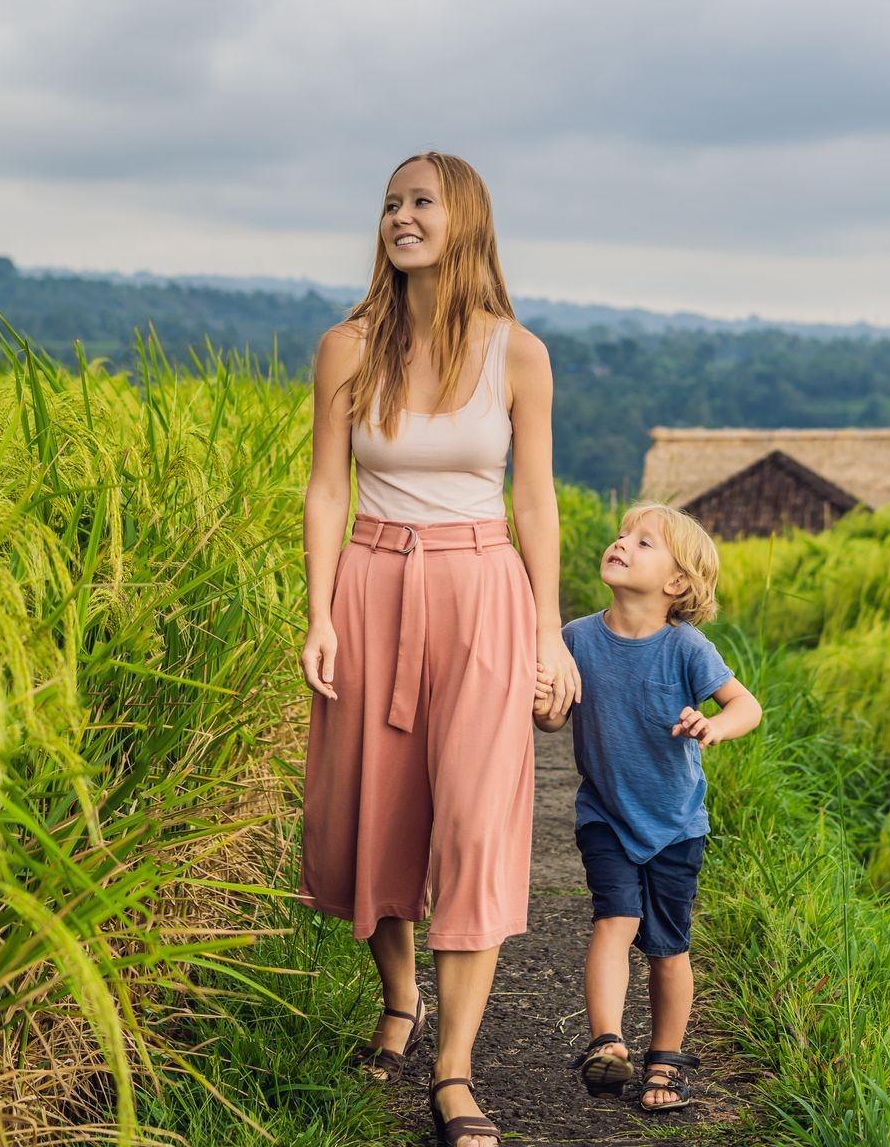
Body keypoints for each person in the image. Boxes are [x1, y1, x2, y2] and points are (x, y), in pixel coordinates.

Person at [299, 151, 581, 1147]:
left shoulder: (520, 353)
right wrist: (320, 610)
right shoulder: (346, 347)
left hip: (482, 591)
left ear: (463, 219)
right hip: (373, 586)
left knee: (473, 824)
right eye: (389, 203)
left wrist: (550, 631)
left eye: (420, 201)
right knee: (374, 814)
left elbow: (534, 500)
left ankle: (454, 1071)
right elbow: (327, 487)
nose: (400, 216)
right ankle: (399, 995)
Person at [533, 502, 762, 1114]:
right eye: (621, 535)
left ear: (676, 583)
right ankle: (608, 1042)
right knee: (614, 919)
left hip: (675, 824)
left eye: (643, 542)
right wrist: (546, 704)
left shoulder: (686, 647)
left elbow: (747, 706)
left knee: (667, 946)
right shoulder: (575, 638)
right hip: (604, 813)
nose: (622, 543)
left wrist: (714, 725)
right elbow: (553, 717)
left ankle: (667, 1056)